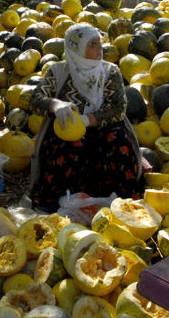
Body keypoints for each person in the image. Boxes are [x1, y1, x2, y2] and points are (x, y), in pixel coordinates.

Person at [26, 22, 143, 213]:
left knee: (119, 144)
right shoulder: (58, 71)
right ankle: (57, 200)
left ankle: (121, 199)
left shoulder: (110, 72)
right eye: (93, 44)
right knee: (63, 149)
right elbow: (35, 100)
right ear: (75, 48)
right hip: (67, 129)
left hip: (103, 127)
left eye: (99, 42)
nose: (100, 49)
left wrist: (88, 120)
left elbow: (118, 108)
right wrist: (55, 105)